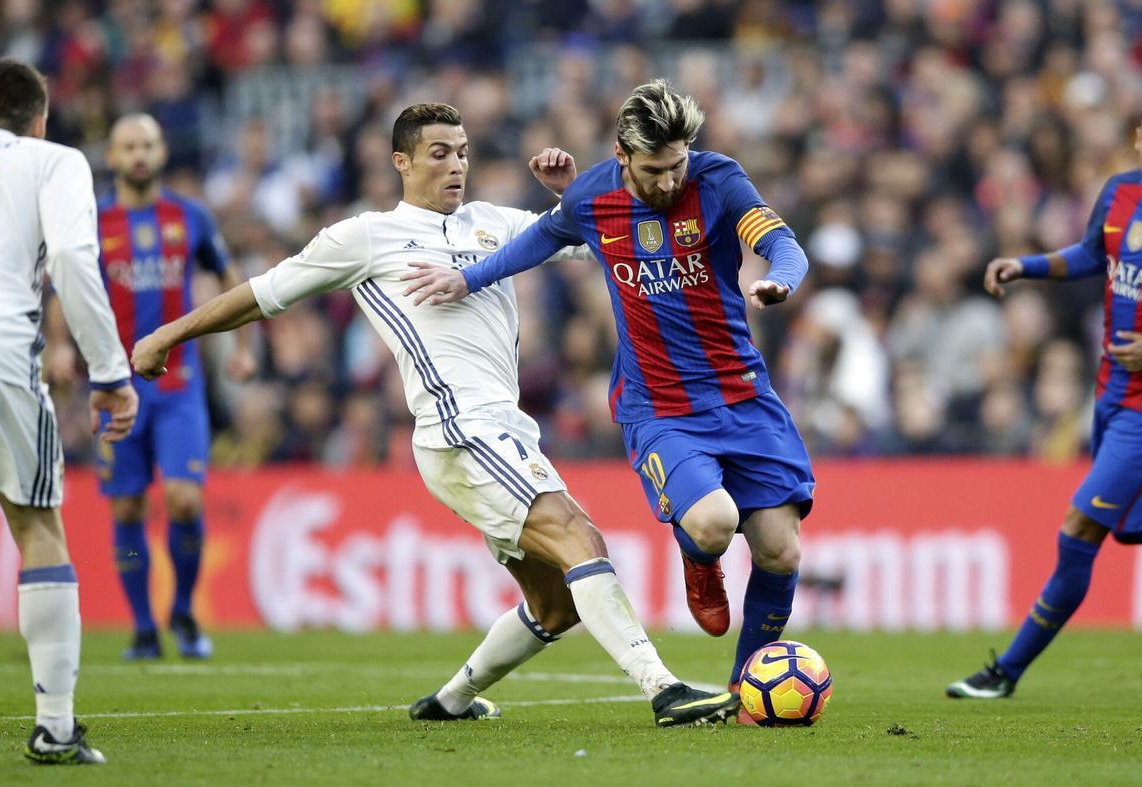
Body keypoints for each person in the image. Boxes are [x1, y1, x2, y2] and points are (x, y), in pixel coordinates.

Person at [130, 102, 739, 727]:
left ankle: (449, 702)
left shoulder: (495, 223)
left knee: (556, 603)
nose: (456, 165)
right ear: (402, 162)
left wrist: (574, 196)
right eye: (440, 153)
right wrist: (166, 337)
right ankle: (664, 691)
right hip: (458, 430)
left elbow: (596, 242)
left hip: (504, 426)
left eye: (464, 151)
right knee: (580, 538)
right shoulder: (364, 237)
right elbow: (263, 294)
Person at [402, 79, 815, 723]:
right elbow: (533, 243)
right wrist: (466, 277)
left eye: (678, 163)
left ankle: (744, 694)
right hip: (661, 408)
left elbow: (781, 243)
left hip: (743, 395)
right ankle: (699, 557)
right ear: (622, 155)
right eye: (655, 168)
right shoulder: (594, 195)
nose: (670, 179)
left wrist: (779, 281)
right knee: (712, 522)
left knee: (780, 551)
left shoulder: (721, 180)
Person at [947, 93, 1142, 699]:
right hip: (1109, 389)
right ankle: (1005, 673)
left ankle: (1006, 671)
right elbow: (1091, 255)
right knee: (1131, 526)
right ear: (1137, 139)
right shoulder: (1119, 193)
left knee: (1080, 525)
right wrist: (1024, 266)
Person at [0, 57, 139, 764]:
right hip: (1, 350)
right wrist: (110, 372)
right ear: (39, 119)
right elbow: (77, 259)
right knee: (36, 524)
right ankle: (54, 727)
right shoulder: (53, 161)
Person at [94, 114, 255, 660]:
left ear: (161, 152)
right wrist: (64, 347)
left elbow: (230, 278)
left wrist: (242, 347)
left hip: (179, 385)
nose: (139, 154)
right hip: (114, 386)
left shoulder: (188, 216)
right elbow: (66, 289)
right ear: (113, 156)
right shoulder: (92, 220)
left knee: (184, 500)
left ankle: (183, 611)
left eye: (148, 144)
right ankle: (142, 626)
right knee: (127, 510)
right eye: (129, 146)